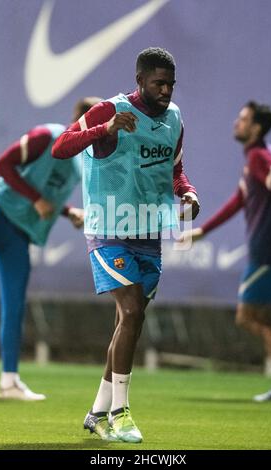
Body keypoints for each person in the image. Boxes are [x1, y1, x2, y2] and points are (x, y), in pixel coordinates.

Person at [52, 47, 200, 442]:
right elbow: (61, 146)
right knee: (132, 311)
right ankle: (120, 412)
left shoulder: (174, 118)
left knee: (127, 324)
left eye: (170, 84)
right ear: (139, 81)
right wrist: (106, 129)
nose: (166, 90)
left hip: (149, 234)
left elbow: (176, 170)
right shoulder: (108, 110)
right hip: (108, 230)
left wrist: (187, 193)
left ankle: (95, 413)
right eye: (158, 83)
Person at [0, 97, 101, 401]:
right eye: (100, 120)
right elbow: (3, 165)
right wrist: (34, 197)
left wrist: (68, 212)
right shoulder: (47, 136)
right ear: (83, 120)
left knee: (14, 307)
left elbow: (47, 195)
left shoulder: (79, 162)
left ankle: (9, 382)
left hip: (19, 233)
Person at [179, 101, 271, 402]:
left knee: (247, 317)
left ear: (256, 127)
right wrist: (203, 230)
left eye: (243, 119)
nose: (236, 123)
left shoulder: (259, 156)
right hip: (270, 249)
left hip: (269, 251)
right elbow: (238, 200)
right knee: (264, 319)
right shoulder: (257, 157)